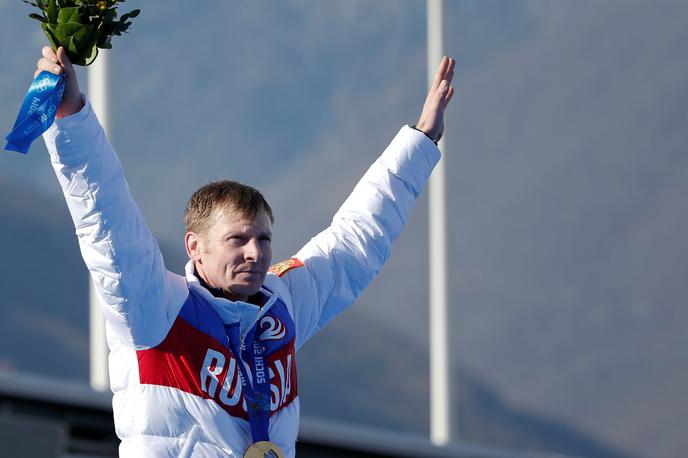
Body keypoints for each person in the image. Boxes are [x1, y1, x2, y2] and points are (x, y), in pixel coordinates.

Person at [36, 46, 455, 457]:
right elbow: (106, 221)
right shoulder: (154, 309)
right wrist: (72, 119)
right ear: (195, 247)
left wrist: (421, 142)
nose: (256, 253)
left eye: (264, 238)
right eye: (238, 240)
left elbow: (357, 237)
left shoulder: (282, 305)